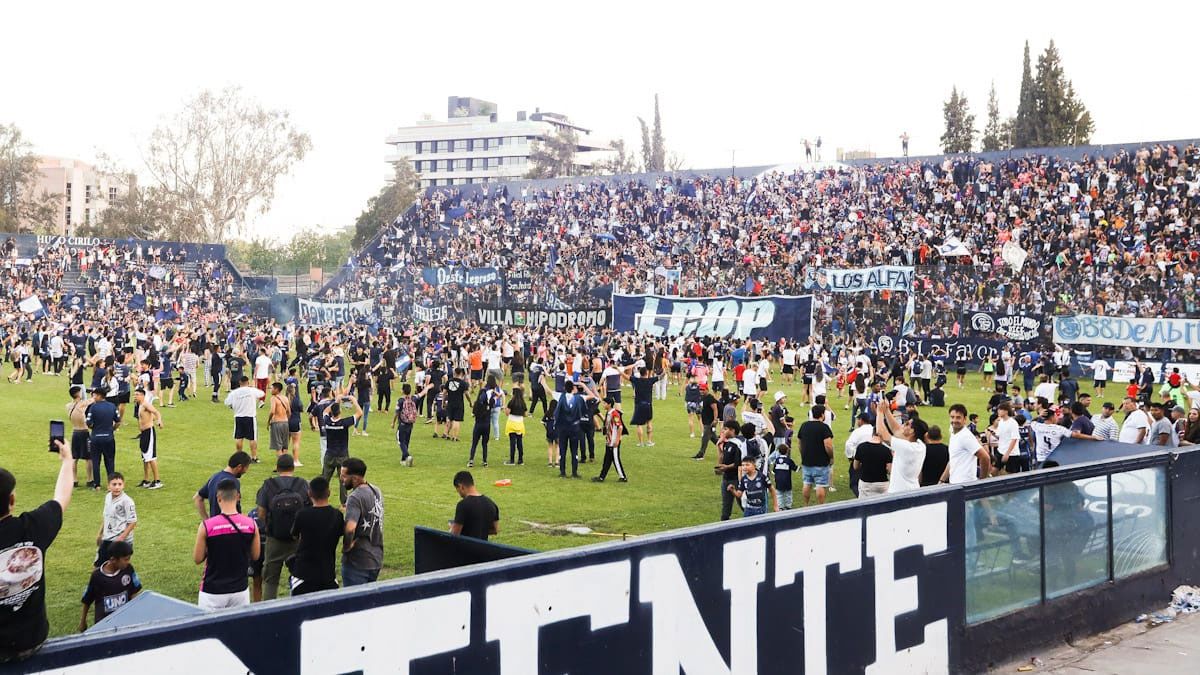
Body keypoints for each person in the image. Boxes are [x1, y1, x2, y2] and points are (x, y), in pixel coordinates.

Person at [0, 439, 73, 661]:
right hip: (32, 641)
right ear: (11, 500)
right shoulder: (33, 527)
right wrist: (67, 461)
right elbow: (61, 498)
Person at [193, 478, 259, 610]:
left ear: (218, 498)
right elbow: (255, 556)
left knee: (210, 629)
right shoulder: (251, 524)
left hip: (213, 590)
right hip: (240, 589)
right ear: (238, 496)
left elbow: (197, 558)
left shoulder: (207, 526)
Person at [255, 455, 310, 600]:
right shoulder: (303, 484)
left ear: (277, 468)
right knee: (301, 578)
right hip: (298, 539)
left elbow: (260, 512)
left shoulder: (268, 485)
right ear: (293, 467)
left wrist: (269, 525)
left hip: (274, 539)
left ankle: (268, 613)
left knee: (270, 580)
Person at [287, 476, 343, 596]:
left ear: (309, 493)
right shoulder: (337, 515)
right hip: (327, 573)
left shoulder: (302, 514)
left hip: (303, 573)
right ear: (328, 492)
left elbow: (294, 535)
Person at [79, 540, 141, 631]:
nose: (128, 562)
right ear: (113, 560)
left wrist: (135, 614)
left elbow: (134, 592)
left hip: (124, 621)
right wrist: (83, 621)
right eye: (126, 559)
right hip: (103, 623)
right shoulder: (97, 576)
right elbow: (87, 599)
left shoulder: (128, 569)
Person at [341, 458, 383, 587]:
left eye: (344, 476)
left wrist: (346, 547)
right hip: (376, 558)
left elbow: (350, 528)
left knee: (353, 604)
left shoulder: (355, 497)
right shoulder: (376, 490)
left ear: (354, 479)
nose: (341, 480)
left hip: (358, 561)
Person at [875, 400, 927, 494]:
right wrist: (887, 410)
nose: (903, 425)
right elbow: (897, 430)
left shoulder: (907, 448)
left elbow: (881, 433)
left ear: (912, 431)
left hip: (899, 493)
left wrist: (879, 412)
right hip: (911, 490)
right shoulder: (920, 445)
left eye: (907, 424)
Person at [322, 396, 363, 507]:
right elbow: (360, 413)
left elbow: (325, 411)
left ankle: (320, 499)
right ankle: (343, 504)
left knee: (325, 479)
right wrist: (354, 401)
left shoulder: (327, 421)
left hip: (329, 454)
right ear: (340, 412)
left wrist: (336, 401)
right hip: (342, 455)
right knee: (343, 480)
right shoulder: (344, 423)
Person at [941, 404, 991, 484]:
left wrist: (982, 481)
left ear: (965, 419)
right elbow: (953, 459)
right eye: (952, 417)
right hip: (955, 483)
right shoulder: (953, 433)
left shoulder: (965, 436)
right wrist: (942, 480)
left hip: (965, 484)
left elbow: (985, 457)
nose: (954, 420)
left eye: (958, 417)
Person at [94, 473, 136, 567]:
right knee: (99, 566)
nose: (117, 487)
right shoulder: (108, 497)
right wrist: (100, 533)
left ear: (123, 485)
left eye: (120, 484)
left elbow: (132, 522)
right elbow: (106, 516)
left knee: (120, 567)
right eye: (114, 484)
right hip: (108, 537)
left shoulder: (127, 501)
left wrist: (121, 538)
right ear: (108, 486)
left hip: (121, 540)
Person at [194, 452, 252, 519]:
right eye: (246, 467)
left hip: (214, 526)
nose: (246, 471)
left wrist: (207, 520)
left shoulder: (214, 477)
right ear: (239, 467)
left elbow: (197, 498)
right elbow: (234, 511)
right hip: (228, 526)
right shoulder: (232, 482)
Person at [85, 387, 120, 491]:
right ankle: (111, 485)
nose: (93, 397)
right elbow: (118, 421)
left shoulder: (93, 407)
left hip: (95, 438)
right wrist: (112, 429)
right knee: (110, 461)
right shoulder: (112, 406)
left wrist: (94, 428)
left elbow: (88, 423)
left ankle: (97, 485)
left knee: (96, 461)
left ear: (100, 395)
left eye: (94, 395)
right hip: (109, 438)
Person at [798, 405, 834, 505]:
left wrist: (803, 454)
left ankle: (806, 505)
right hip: (821, 461)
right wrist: (831, 457)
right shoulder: (824, 428)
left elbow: (799, 443)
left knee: (806, 483)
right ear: (822, 415)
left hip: (806, 460)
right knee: (820, 485)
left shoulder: (804, 425)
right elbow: (828, 446)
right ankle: (821, 506)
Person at [450, 471, 500, 540]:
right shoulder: (492, 504)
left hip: (466, 548)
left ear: (461, 486)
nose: (459, 494)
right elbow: (495, 530)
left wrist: (452, 527)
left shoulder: (463, 505)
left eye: (457, 490)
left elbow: (455, 534)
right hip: (483, 549)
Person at [225, 376, 265, 462]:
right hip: (250, 416)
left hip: (239, 416)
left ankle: (239, 455)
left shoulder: (234, 392)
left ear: (240, 382)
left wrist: (233, 406)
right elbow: (262, 393)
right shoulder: (252, 390)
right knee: (252, 438)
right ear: (248, 382)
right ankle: (254, 457)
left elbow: (227, 402)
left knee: (239, 437)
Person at [133, 388, 163, 489]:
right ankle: (146, 480)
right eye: (135, 394)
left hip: (149, 432)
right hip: (143, 433)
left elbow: (156, 412)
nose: (135, 396)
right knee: (145, 458)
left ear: (142, 395)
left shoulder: (145, 404)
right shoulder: (140, 406)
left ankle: (157, 481)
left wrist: (159, 421)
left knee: (151, 457)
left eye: (137, 394)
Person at [715, 421, 743, 521]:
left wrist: (726, 467)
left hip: (736, 480)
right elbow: (722, 460)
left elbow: (738, 463)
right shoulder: (727, 443)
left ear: (732, 430)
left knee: (742, 503)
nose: (723, 431)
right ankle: (724, 524)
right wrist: (718, 447)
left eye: (725, 429)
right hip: (726, 479)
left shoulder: (737, 445)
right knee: (725, 506)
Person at [594, 399, 627, 483]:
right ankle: (601, 477)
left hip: (613, 441)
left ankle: (623, 477)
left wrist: (617, 440)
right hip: (609, 441)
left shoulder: (614, 414)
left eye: (604, 403)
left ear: (609, 404)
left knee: (616, 460)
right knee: (607, 460)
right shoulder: (609, 413)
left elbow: (620, 427)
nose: (603, 405)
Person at [555, 382, 583, 478]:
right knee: (574, 451)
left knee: (563, 450)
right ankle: (574, 472)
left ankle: (562, 471)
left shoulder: (561, 397)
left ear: (564, 388)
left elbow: (557, 413)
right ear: (573, 388)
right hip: (575, 428)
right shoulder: (578, 398)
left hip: (563, 428)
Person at [66, 384, 91, 488]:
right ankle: (90, 479)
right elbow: (93, 400)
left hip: (75, 432)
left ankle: (74, 479)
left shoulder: (68, 406)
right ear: (78, 394)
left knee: (74, 458)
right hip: (84, 432)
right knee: (89, 458)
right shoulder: (82, 404)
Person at [843, 413, 873, 497]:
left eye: (857, 420)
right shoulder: (874, 429)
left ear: (861, 420)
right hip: (874, 460)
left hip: (859, 460)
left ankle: (862, 498)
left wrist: (851, 456)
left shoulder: (858, 431)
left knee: (854, 483)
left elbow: (849, 445)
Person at [392, 383, 417, 467]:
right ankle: (403, 460)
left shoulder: (400, 400)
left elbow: (396, 412)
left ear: (402, 390)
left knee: (400, 441)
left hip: (402, 424)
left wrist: (393, 422)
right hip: (410, 424)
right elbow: (421, 394)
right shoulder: (413, 398)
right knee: (406, 441)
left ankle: (407, 456)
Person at [768, 441, 797, 509]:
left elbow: (774, 471)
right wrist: (801, 468)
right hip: (787, 481)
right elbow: (795, 469)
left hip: (778, 481)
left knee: (779, 494)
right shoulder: (789, 460)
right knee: (788, 494)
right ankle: (788, 506)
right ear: (787, 451)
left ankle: (780, 507)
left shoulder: (776, 461)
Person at [468, 383, 492, 467]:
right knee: (484, 444)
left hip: (478, 424)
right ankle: (485, 461)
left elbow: (473, 414)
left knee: (474, 443)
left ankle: (471, 460)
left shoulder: (476, 404)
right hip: (486, 425)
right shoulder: (488, 405)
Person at [504, 387, 527, 466]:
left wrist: (505, 408)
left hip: (511, 423)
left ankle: (512, 460)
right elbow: (525, 414)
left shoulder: (511, 402)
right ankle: (520, 460)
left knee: (512, 442)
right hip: (520, 423)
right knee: (520, 442)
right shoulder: (523, 403)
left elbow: (507, 413)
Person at [268, 382, 290, 458]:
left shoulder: (273, 398)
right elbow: (289, 412)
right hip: (285, 422)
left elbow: (272, 411)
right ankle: (286, 464)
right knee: (285, 446)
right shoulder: (285, 398)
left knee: (278, 447)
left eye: (272, 388)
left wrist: (268, 421)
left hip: (276, 422)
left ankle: (281, 465)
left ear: (276, 389)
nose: (270, 390)